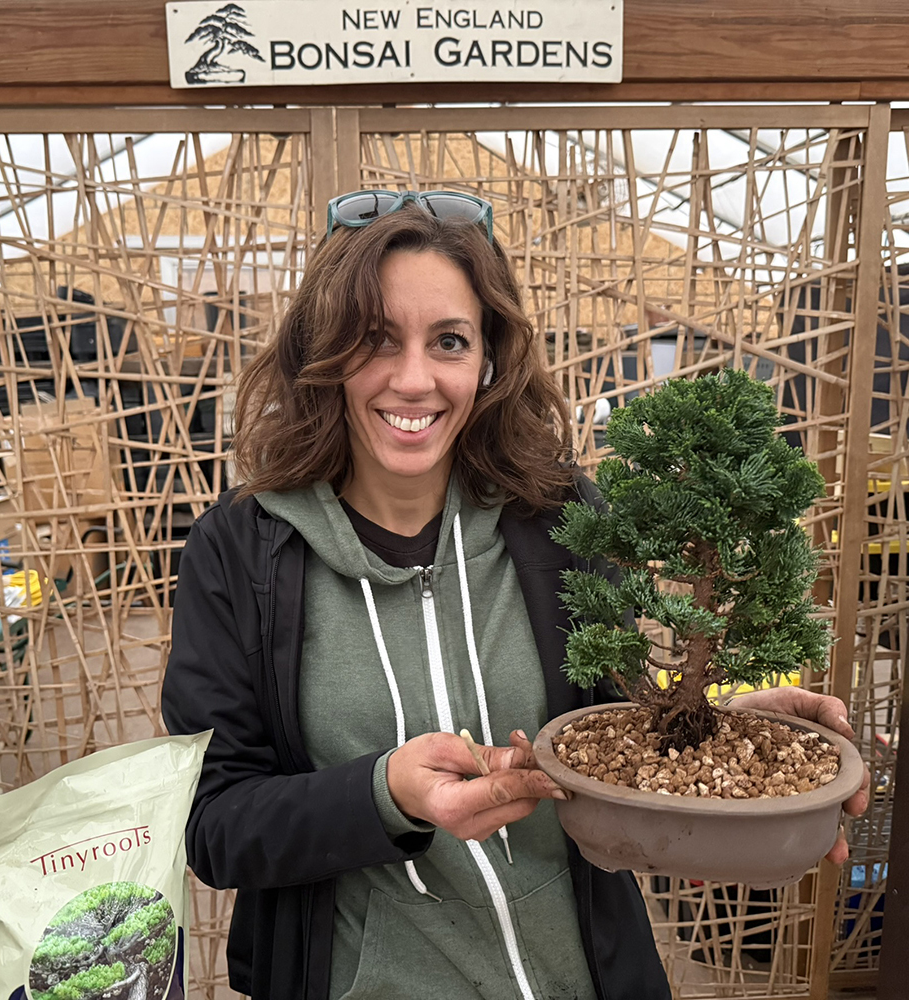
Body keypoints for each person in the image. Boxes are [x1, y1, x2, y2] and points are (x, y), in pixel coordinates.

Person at [161, 190, 867, 1000]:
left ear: (489, 360)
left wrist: (713, 734)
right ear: (324, 353)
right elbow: (213, 825)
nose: (415, 379)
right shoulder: (243, 553)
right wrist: (384, 794)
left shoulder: (555, 517)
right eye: (377, 341)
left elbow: (615, 733)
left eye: (450, 341)